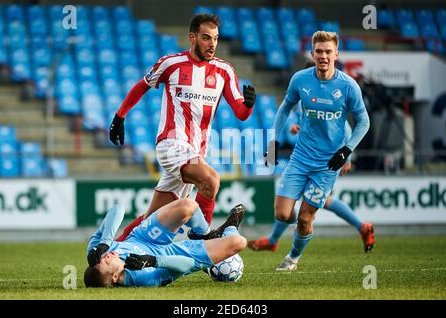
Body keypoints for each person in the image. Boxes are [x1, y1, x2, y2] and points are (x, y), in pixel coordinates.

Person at [108, 13, 256, 241]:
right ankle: (203, 237)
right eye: (206, 38)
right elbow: (142, 86)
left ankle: (111, 251)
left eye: (215, 39)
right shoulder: (171, 64)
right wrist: (120, 117)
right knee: (211, 180)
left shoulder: (224, 71)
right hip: (171, 145)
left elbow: (241, 113)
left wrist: (249, 105)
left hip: (195, 153)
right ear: (193, 38)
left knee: (153, 219)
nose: (212, 44)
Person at [262, 31, 370, 271]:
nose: (323, 56)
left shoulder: (348, 86)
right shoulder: (300, 80)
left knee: (305, 218)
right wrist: (273, 142)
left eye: (328, 52)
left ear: (336, 54)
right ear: (312, 53)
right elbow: (284, 108)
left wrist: (346, 151)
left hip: (327, 164)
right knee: (282, 214)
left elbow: (363, 122)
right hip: (300, 158)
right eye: (319, 51)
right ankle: (279, 236)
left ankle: (292, 258)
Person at [248, 62, 375, 253]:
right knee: (314, 201)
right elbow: (314, 123)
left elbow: (344, 127)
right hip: (309, 156)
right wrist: (298, 128)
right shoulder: (305, 95)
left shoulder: (324, 93)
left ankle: (275, 240)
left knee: (315, 202)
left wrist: (348, 157)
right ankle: (361, 226)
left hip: (330, 159)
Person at [84, 200, 246, 288]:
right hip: (170, 254)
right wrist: (153, 261)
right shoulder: (142, 278)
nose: (106, 256)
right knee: (238, 242)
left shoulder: (97, 252)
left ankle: (204, 234)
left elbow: (118, 209)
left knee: (188, 206)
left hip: (143, 238)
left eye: (102, 257)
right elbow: (187, 265)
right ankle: (230, 228)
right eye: (106, 262)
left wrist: (104, 243)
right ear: (114, 277)